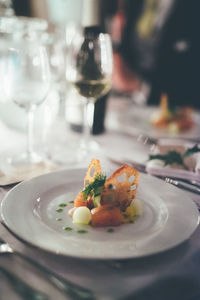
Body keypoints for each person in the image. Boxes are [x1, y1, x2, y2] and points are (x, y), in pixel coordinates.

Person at [111, 0, 200, 108]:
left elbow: (191, 85)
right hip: (126, 104)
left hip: (170, 110)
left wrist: (141, 87)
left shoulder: (193, 8)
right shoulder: (134, 3)